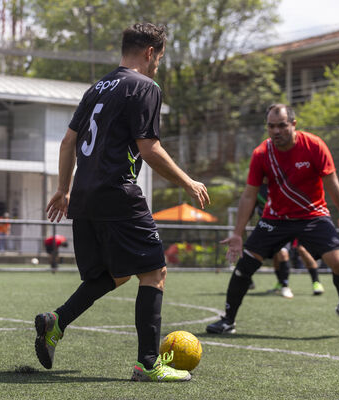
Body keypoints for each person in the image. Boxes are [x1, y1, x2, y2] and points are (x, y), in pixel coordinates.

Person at [36, 23, 210, 382]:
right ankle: (148, 364)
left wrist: (63, 190)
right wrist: (188, 181)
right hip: (117, 192)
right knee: (155, 272)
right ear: (150, 52)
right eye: (159, 57)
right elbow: (150, 149)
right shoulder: (145, 86)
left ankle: (56, 322)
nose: (158, 64)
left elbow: (68, 142)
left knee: (112, 275)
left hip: (83, 197)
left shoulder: (97, 87)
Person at [207, 103, 339, 337]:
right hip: (276, 218)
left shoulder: (314, 146)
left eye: (281, 125)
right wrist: (237, 234)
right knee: (245, 265)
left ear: (293, 124)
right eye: (271, 126)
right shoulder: (262, 154)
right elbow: (249, 194)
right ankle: (228, 320)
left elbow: (333, 186)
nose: (276, 131)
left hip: (313, 215)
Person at [250, 183, 325, 298]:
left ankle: (315, 282)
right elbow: (250, 207)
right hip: (271, 226)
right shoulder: (257, 188)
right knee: (277, 252)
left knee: (301, 250)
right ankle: (281, 283)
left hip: (290, 223)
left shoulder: (279, 182)